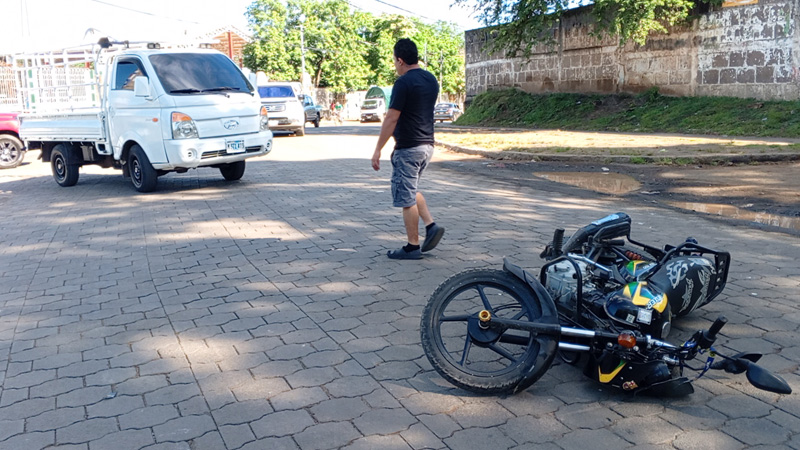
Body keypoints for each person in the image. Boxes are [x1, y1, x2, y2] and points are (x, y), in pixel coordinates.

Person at [372, 38, 444, 260]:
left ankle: (412, 246)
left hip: (409, 148)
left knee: (406, 198)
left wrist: (378, 150)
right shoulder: (431, 79)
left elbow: (392, 118)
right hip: (427, 146)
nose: (395, 65)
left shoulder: (403, 83)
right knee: (411, 188)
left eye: (395, 61)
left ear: (400, 60)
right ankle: (431, 226)